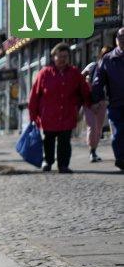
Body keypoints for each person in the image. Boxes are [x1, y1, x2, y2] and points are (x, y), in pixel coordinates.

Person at [27, 42, 91, 173]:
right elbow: (34, 95)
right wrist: (33, 115)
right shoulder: (44, 74)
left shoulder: (74, 73)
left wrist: (89, 104)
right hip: (48, 116)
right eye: (60, 56)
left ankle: (63, 165)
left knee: (64, 142)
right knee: (48, 141)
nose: (62, 59)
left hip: (67, 114)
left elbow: (84, 91)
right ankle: (48, 161)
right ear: (53, 57)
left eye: (65, 56)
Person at [92, 27, 124, 172]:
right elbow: (98, 81)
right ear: (117, 39)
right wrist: (95, 99)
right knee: (117, 135)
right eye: (121, 36)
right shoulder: (108, 59)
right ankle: (121, 159)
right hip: (116, 104)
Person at [81, 45, 113, 162]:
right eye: (105, 55)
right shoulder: (92, 66)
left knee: (98, 128)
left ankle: (94, 149)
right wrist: (86, 80)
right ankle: (92, 151)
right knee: (92, 126)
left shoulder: (113, 68)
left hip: (103, 101)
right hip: (89, 101)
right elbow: (80, 78)